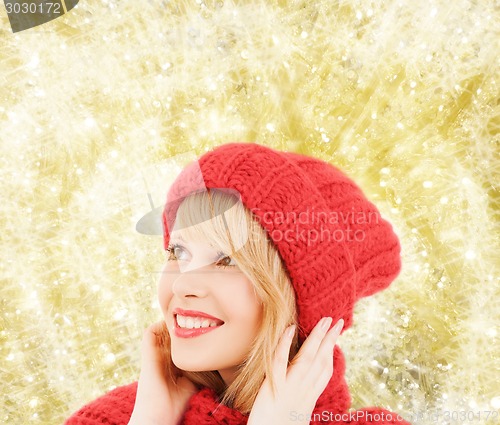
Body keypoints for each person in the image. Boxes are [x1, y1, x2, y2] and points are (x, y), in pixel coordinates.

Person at [64, 142, 412, 425]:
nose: (184, 285)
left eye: (226, 260)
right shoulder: (116, 417)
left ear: (299, 299)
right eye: (178, 252)